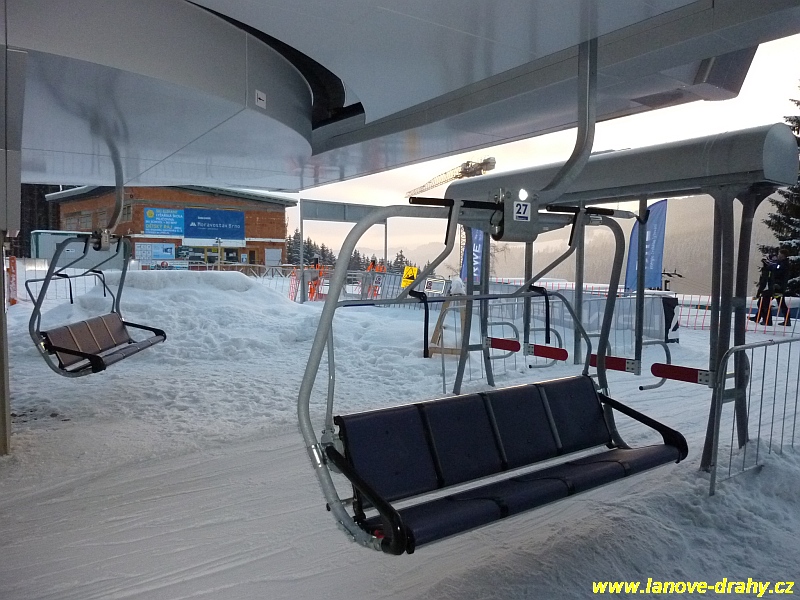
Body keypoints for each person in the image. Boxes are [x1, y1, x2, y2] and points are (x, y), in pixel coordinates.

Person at [752, 249, 792, 326]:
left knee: (764, 301)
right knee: (779, 303)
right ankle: (759, 317)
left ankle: (766, 320)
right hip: (778, 287)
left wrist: (768, 265)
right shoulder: (782, 263)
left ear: (783, 255)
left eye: (780, 254)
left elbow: (776, 271)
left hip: (777, 287)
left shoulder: (783, 264)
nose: (779, 255)